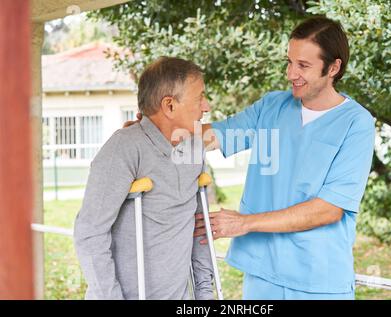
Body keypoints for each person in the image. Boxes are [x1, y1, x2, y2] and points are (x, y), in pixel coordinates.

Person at [194, 16, 375, 300]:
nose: (291, 74)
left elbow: (329, 209)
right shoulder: (272, 107)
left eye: (303, 65)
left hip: (318, 281)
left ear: (334, 67)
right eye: (289, 62)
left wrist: (244, 223)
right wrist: (156, 129)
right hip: (261, 274)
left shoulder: (356, 123)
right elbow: (213, 136)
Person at [74, 57, 214, 300]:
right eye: (199, 98)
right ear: (169, 106)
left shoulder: (194, 149)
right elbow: (90, 233)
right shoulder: (123, 148)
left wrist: (204, 294)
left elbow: (199, 229)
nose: (206, 106)